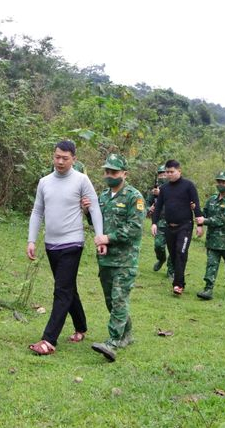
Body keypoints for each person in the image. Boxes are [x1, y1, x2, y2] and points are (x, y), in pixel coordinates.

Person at [26, 140, 104, 356]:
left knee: (61, 290)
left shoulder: (82, 180)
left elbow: (95, 208)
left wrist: (99, 236)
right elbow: (37, 211)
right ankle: (81, 327)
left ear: (74, 159)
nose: (60, 161)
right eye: (57, 157)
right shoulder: (44, 182)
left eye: (65, 158)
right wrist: (31, 240)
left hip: (73, 242)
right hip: (51, 244)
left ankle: (48, 340)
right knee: (68, 288)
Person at [87, 153, 145, 362]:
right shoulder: (103, 197)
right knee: (111, 301)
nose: (109, 175)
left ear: (124, 174)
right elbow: (98, 223)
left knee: (119, 299)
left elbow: (135, 229)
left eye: (114, 172)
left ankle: (112, 342)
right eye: (107, 171)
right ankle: (126, 334)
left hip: (125, 260)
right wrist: (87, 211)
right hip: (105, 258)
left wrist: (108, 238)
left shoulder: (133, 197)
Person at [151, 159, 203, 295]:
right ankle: (181, 281)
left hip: (185, 226)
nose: (169, 174)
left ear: (179, 171)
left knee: (181, 252)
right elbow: (158, 207)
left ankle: (178, 284)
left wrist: (200, 224)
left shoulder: (188, 186)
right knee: (174, 255)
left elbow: (196, 204)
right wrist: (154, 223)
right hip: (169, 227)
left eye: (171, 172)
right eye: (167, 172)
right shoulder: (164, 189)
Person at [196, 172, 225, 300]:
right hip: (213, 240)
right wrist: (198, 218)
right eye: (219, 182)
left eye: (224, 182)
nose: (221, 184)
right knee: (211, 264)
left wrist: (204, 221)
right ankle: (208, 289)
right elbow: (203, 213)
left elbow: (224, 218)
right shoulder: (211, 199)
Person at [146, 164, 175, 279]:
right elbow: (147, 203)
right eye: (160, 174)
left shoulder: (174, 187)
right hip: (159, 222)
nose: (162, 176)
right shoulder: (154, 190)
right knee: (158, 245)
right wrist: (149, 208)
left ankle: (170, 271)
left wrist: (162, 193)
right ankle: (161, 259)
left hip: (173, 222)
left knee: (172, 247)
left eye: (164, 173)